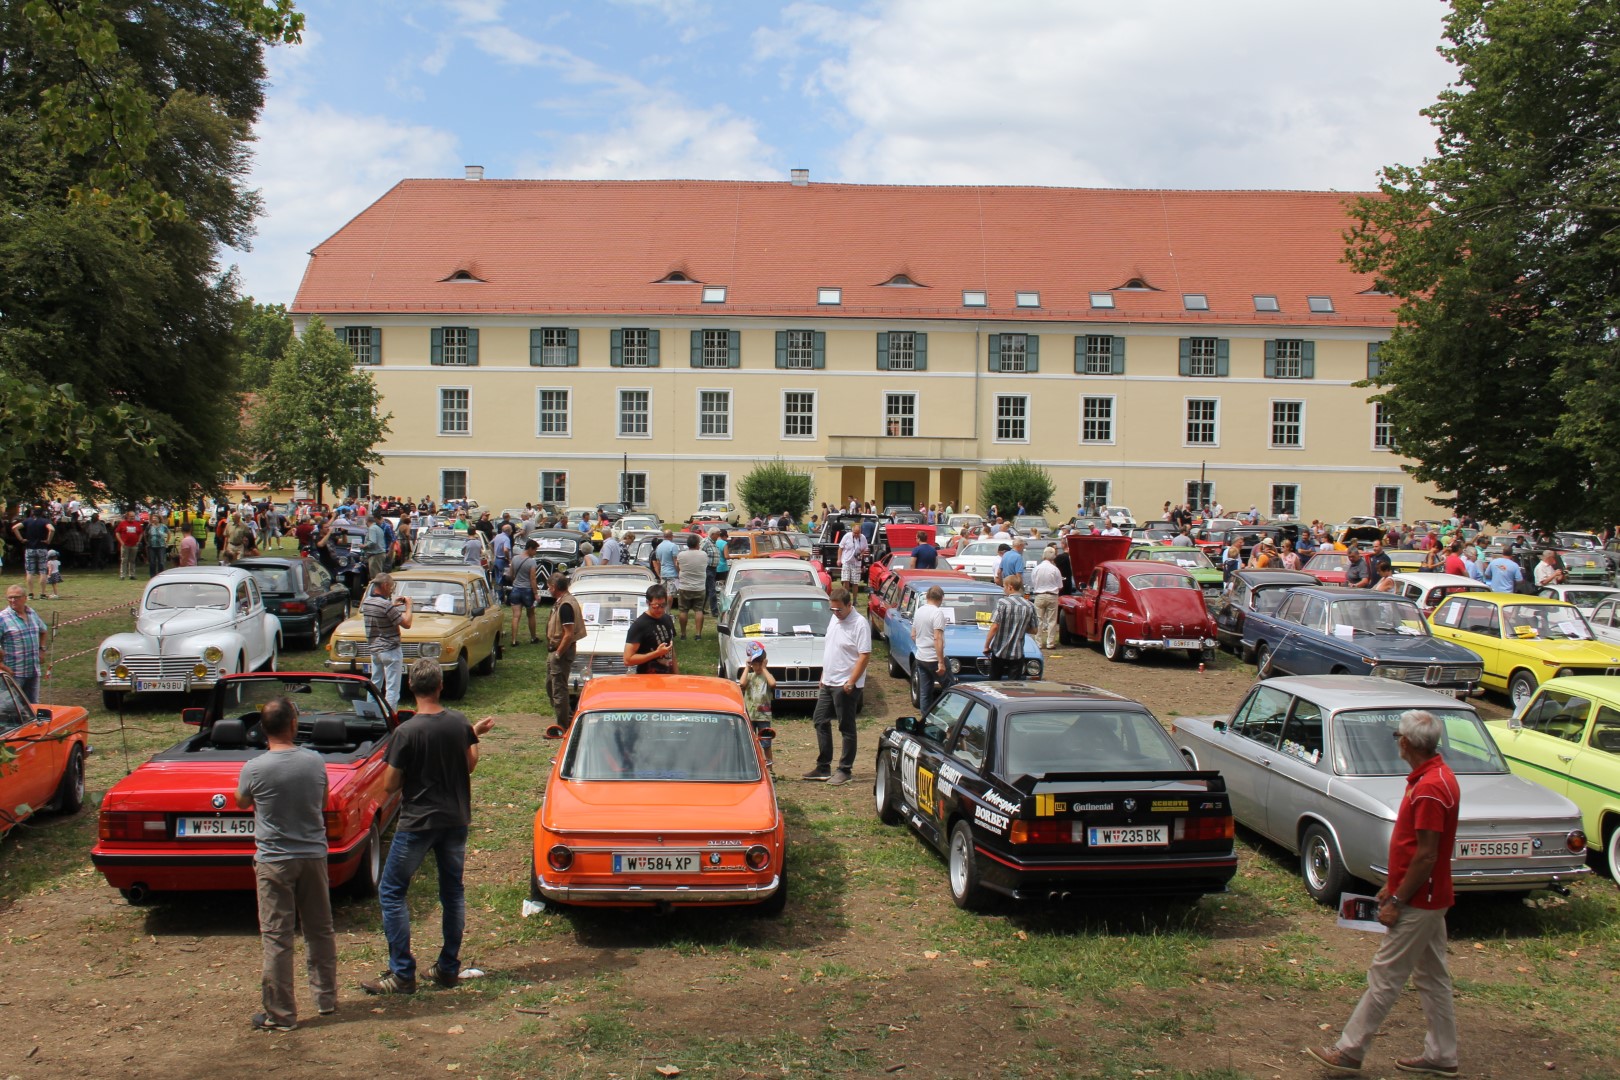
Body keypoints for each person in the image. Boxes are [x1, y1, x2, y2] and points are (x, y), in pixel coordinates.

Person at [1310, 709, 1460, 1078]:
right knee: (1432, 976)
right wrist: (1394, 884)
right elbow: (1421, 851)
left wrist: (1398, 898)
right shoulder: (1437, 778)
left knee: (1386, 975)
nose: (1397, 742)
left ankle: (1350, 1049)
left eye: (1397, 737)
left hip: (1419, 900)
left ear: (1406, 743)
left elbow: (1427, 853)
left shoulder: (1429, 787)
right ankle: (1442, 1054)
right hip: (1429, 895)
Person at [362, 659, 496, 997]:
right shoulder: (458, 723)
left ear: (410, 686)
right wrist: (473, 736)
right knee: (452, 892)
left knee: (392, 891)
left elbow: (391, 784)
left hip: (418, 823)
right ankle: (448, 967)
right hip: (454, 820)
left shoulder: (405, 732)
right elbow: (470, 764)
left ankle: (402, 972)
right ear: (439, 685)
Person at [234, 696, 337, 1032]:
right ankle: (326, 998)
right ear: (294, 725)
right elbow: (322, 802)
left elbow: (241, 800)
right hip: (312, 857)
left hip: (273, 861)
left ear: (262, 730)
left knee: (277, 936)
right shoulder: (315, 762)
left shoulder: (254, 768)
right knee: (319, 929)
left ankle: (281, 1014)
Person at [803, 587, 870, 786]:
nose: (835, 613)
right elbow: (831, 648)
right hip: (829, 681)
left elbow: (864, 655)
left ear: (850, 605)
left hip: (846, 684)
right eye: (832, 610)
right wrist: (824, 674)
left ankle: (845, 769)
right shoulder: (835, 618)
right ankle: (823, 766)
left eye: (839, 609)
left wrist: (851, 681)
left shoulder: (860, 624)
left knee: (846, 726)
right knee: (820, 720)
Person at [362, 573, 413, 710]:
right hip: (390, 650)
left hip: (374, 649)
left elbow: (382, 610)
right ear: (384, 585)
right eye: (390, 587)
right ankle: (389, 716)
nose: (391, 590)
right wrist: (409, 606)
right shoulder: (386, 605)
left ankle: (370, 712)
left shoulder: (367, 602)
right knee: (392, 688)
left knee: (375, 682)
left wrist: (392, 605)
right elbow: (407, 623)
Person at [983, 573, 1037, 680]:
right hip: (1017, 652)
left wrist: (986, 645)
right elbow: (1034, 630)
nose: (1004, 589)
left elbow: (995, 626)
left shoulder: (1002, 603)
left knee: (994, 683)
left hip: (999, 651)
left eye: (1004, 586)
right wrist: (1019, 627)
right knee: (1014, 686)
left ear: (1010, 587)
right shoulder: (1030, 605)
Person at [0, 586, 48, 701]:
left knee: (32, 707)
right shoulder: (2, 618)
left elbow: (43, 630)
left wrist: (42, 649)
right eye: (10, 598)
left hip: (33, 670)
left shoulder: (31, 613)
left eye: (16, 597)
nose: (13, 600)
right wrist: (1, 666)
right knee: (10, 708)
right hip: (13, 673)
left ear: (25, 598)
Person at [545, 572, 581, 729]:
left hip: (561, 651)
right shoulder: (562, 602)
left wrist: (558, 654)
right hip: (555, 650)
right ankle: (567, 716)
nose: (548, 590)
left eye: (548, 587)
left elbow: (568, 634)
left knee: (559, 689)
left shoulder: (566, 605)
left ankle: (563, 725)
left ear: (554, 587)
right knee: (551, 684)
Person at [911, 584, 950, 715]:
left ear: (927, 596)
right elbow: (937, 638)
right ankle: (947, 714)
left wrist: (921, 645)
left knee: (925, 691)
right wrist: (941, 661)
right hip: (934, 657)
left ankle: (925, 717)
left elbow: (913, 634)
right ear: (941, 598)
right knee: (949, 688)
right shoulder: (937, 613)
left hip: (921, 657)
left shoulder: (919, 611)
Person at [737, 640, 776, 768]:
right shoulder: (749, 676)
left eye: (759, 662)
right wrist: (747, 668)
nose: (757, 666)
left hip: (763, 716)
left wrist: (764, 669)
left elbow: (773, 684)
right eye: (754, 663)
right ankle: (751, 765)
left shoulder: (766, 676)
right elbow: (741, 684)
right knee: (749, 741)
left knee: (766, 742)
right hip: (750, 715)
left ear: (764, 662)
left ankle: (769, 766)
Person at [623, 583, 677, 674]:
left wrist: (676, 675)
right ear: (648, 603)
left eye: (663, 605)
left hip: (668, 679)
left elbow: (671, 650)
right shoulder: (639, 625)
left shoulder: (667, 619)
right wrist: (656, 653)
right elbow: (627, 660)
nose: (660, 609)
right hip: (647, 681)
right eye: (655, 606)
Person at [12, 505, 53, 598]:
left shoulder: (27, 521)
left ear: (32, 512)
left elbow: (14, 528)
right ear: (42, 513)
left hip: (30, 548)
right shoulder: (44, 521)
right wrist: (48, 540)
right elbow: (52, 529)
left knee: (30, 572)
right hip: (42, 548)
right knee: (43, 571)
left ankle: (30, 593)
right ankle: (42, 593)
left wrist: (21, 539)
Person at [673, 534, 709, 639]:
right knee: (699, 610)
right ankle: (698, 634)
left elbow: (678, 567)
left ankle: (683, 634)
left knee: (683, 610)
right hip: (699, 587)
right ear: (698, 544)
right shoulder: (703, 554)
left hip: (685, 586)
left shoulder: (681, 555)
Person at [507, 539, 541, 647]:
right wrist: (535, 593)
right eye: (535, 550)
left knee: (516, 616)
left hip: (516, 589)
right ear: (530, 548)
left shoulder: (515, 558)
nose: (535, 552)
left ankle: (513, 640)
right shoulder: (531, 561)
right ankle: (533, 637)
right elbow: (533, 579)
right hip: (527, 590)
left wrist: (515, 582)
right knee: (530, 615)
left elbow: (511, 574)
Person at [1029, 547, 1063, 651]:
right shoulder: (1055, 569)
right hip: (1052, 595)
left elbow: (1033, 581)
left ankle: (1038, 642)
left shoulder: (1037, 568)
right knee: (1051, 620)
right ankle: (1050, 642)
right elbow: (1060, 585)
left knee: (1038, 619)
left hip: (1039, 595)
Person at [114, 510, 144, 579]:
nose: (132, 517)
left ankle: (132, 574)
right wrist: (121, 541)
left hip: (134, 545)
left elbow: (141, 533)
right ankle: (122, 575)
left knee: (132, 560)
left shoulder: (137, 524)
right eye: (131, 516)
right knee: (124, 560)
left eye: (133, 516)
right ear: (127, 516)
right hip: (125, 545)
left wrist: (138, 541)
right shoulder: (122, 524)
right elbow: (117, 532)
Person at [838, 525, 863, 597]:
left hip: (856, 563)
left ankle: (855, 600)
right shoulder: (847, 536)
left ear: (860, 532)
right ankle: (846, 598)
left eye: (858, 533)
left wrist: (861, 554)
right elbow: (840, 548)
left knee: (855, 582)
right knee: (846, 580)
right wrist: (839, 559)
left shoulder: (862, 538)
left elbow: (865, 549)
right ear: (852, 531)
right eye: (855, 533)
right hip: (846, 562)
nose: (856, 535)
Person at [144, 514, 170, 578]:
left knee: (161, 561)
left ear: (159, 519)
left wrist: (167, 542)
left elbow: (169, 533)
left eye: (156, 518)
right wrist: (146, 542)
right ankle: (152, 575)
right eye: (153, 518)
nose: (154, 519)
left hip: (161, 546)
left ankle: (160, 574)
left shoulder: (163, 526)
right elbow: (145, 534)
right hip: (151, 546)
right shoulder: (149, 526)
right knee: (152, 562)